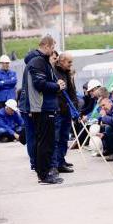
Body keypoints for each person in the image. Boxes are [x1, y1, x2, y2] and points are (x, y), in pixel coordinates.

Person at [19, 35, 66, 184]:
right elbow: (40, 84)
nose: (53, 51)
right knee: (44, 142)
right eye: (52, 48)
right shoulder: (38, 61)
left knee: (45, 142)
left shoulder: (41, 61)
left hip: (44, 106)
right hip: (42, 107)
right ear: (46, 46)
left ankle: (44, 173)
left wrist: (54, 82)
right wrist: (57, 86)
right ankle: (44, 175)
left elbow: (43, 81)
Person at [51, 52, 78, 174]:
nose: (71, 65)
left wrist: (75, 107)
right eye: (69, 62)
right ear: (61, 61)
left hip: (66, 111)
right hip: (57, 111)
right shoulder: (52, 72)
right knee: (55, 138)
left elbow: (72, 91)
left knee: (64, 137)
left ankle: (61, 161)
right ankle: (55, 164)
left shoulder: (66, 73)